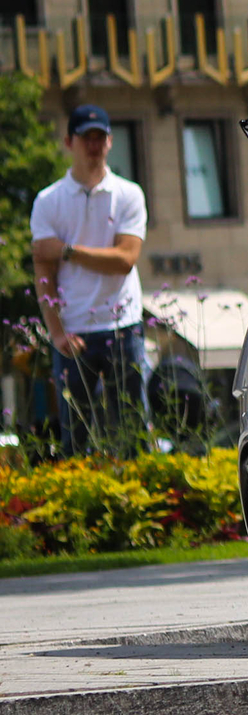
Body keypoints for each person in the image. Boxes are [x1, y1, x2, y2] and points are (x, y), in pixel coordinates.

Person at [31, 104, 149, 456]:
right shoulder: (48, 200)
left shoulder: (129, 194)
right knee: (75, 435)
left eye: (100, 137)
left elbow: (125, 260)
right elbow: (43, 272)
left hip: (122, 324)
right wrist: (56, 333)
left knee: (132, 430)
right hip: (74, 331)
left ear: (110, 142)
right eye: (86, 138)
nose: (93, 145)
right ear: (69, 142)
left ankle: (145, 501)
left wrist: (66, 250)